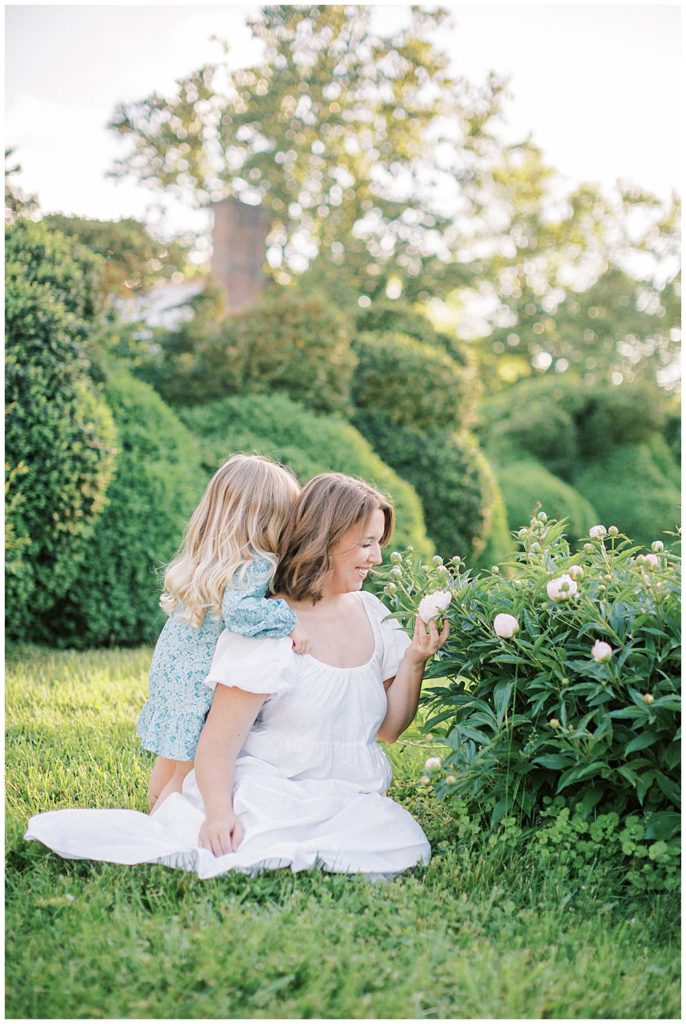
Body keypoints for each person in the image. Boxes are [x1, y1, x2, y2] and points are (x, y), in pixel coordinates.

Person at [25, 473, 449, 880]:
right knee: (258, 841)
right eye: (366, 544)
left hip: (350, 797)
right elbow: (217, 744)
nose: (376, 557)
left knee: (398, 840)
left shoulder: (374, 615)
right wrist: (218, 813)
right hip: (271, 789)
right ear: (326, 541)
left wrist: (414, 659)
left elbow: (390, 730)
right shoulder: (270, 628)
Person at [136, 452, 309, 812]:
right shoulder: (258, 561)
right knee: (188, 767)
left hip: (172, 668)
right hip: (199, 677)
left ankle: (152, 803)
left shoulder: (211, 555)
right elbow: (241, 613)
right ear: (270, 519)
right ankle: (160, 822)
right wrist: (288, 618)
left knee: (172, 755)